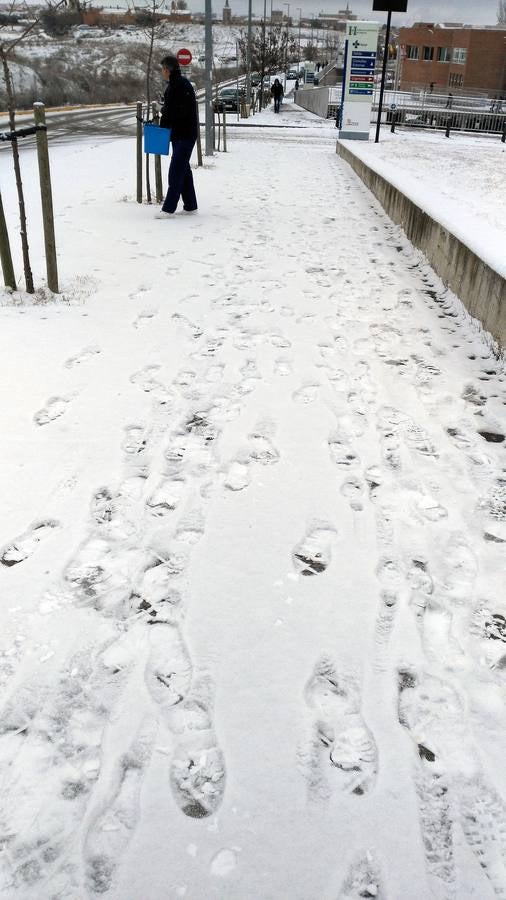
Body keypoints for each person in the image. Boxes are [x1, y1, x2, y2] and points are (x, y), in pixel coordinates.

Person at [156, 54, 198, 219]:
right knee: (184, 170)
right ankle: (190, 206)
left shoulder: (179, 86)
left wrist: (163, 111)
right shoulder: (176, 84)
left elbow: (178, 111)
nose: (162, 72)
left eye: (162, 69)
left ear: (167, 69)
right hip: (180, 134)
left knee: (176, 171)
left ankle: (168, 209)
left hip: (185, 134)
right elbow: (173, 108)